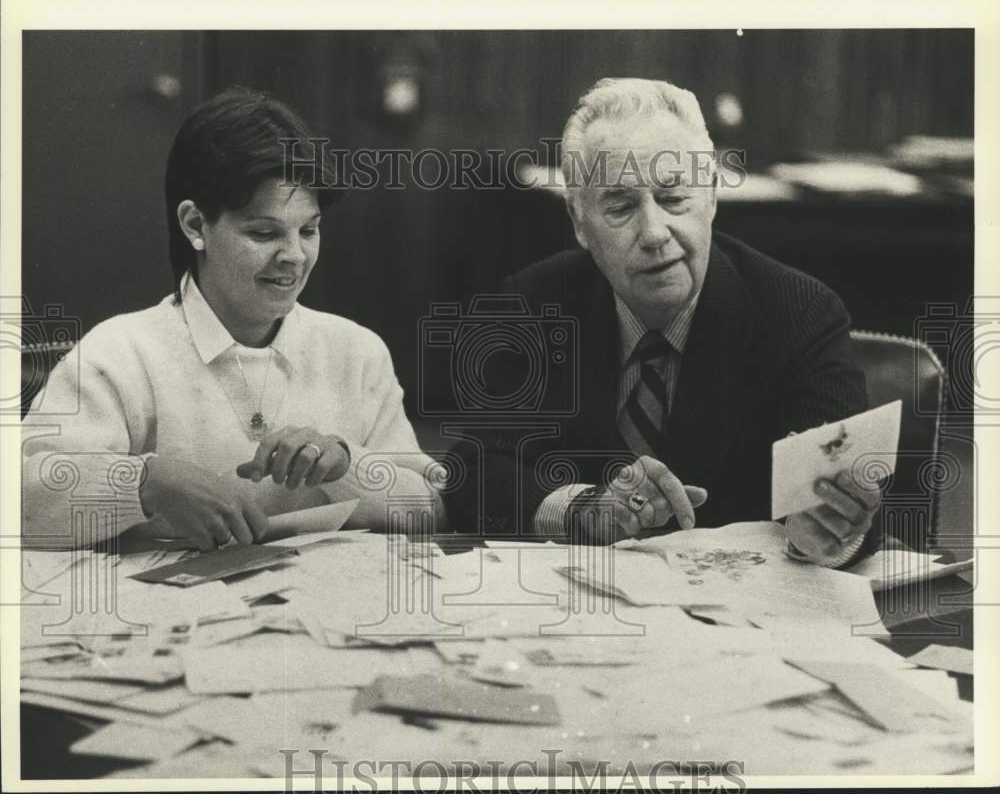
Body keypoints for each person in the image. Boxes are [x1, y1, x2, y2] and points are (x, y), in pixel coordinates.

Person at [444, 77, 880, 567]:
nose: (653, 234)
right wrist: (585, 509)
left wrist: (826, 528)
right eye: (621, 206)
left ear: (712, 197)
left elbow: (850, 498)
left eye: (673, 199)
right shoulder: (532, 303)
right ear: (579, 222)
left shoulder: (800, 312)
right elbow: (473, 472)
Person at [22, 88, 440, 551]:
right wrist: (142, 482)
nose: (294, 257)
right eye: (264, 233)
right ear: (195, 225)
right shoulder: (119, 354)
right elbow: (22, 501)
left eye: (309, 229)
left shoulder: (356, 352)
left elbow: (428, 507)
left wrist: (347, 465)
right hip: (170, 619)